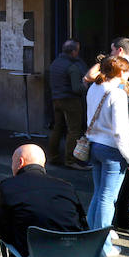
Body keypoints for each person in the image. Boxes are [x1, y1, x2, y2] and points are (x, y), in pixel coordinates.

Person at [84, 56, 129, 257]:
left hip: (95, 145)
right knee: (107, 198)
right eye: (127, 72)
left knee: (99, 194)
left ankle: (89, 238)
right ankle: (103, 247)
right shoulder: (118, 94)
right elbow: (120, 132)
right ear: (121, 73)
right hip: (112, 150)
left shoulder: (94, 88)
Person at [0, 144, 87, 257]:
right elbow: (83, 226)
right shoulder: (66, 187)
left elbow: (4, 232)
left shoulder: (8, 187)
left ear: (20, 162)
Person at [46, 39, 88, 169]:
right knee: (73, 130)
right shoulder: (72, 66)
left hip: (56, 99)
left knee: (57, 128)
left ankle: (52, 156)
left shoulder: (55, 63)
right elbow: (76, 88)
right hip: (70, 100)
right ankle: (70, 160)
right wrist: (85, 85)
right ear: (74, 51)